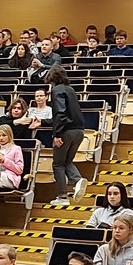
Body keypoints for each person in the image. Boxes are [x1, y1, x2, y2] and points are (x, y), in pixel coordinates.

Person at [45, 66, 86, 206]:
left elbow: (60, 113)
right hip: (79, 131)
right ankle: (77, 180)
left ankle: (62, 196)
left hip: (66, 131)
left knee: (57, 164)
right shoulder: (71, 89)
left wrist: (57, 134)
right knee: (67, 161)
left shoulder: (57, 90)